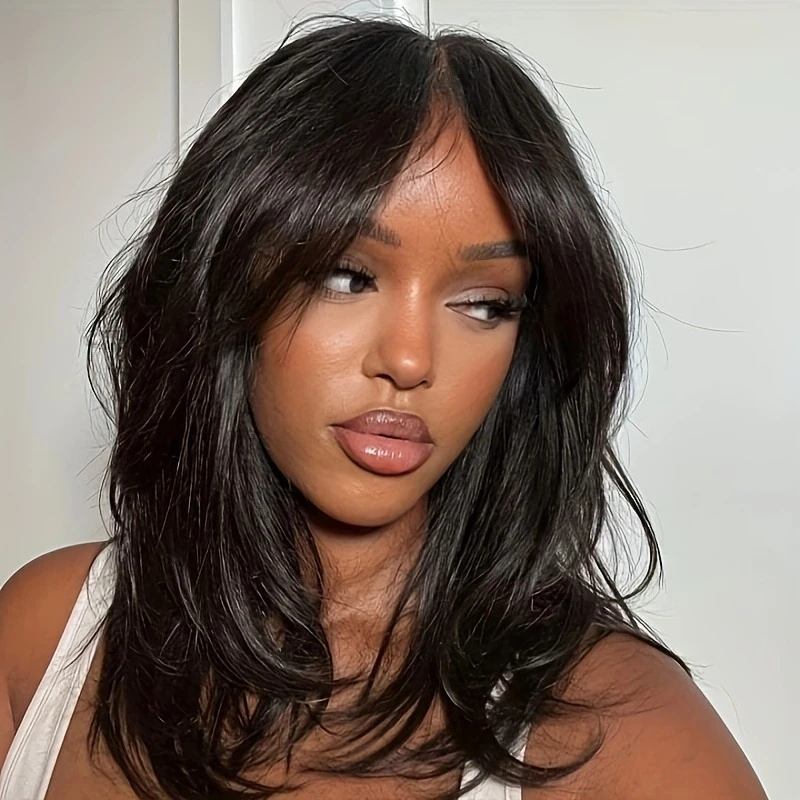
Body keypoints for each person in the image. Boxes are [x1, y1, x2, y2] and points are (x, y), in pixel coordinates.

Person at [0, 15, 768, 800]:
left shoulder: (626, 732)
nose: (409, 360)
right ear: (225, 284)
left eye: (484, 303)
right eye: (346, 276)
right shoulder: (49, 637)